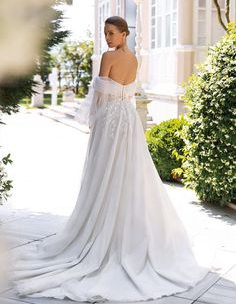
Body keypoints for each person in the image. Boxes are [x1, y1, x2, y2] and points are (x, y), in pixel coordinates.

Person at [11, 16, 208, 302]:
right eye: (105, 33)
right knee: (125, 172)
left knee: (103, 172)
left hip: (110, 120)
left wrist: (93, 124)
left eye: (112, 33)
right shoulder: (135, 60)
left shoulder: (108, 57)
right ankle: (119, 229)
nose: (107, 38)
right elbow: (125, 92)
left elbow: (99, 95)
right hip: (128, 120)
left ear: (125, 34)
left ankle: (103, 229)